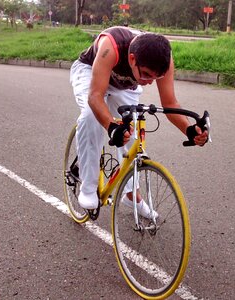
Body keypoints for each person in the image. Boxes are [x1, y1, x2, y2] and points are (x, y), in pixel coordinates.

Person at [69, 26, 209, 218]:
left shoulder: (163, 61)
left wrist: (189, 130)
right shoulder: (111, 45)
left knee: (130, 136)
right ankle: (88, 186)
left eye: (156, 77)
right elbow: (95, 96)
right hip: (90, 73)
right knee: (90, 116)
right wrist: (111, 126)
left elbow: (169, 103)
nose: (150, 82)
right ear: (133, 59)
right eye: (146, 74)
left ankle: (132, 195)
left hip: (124, 86)